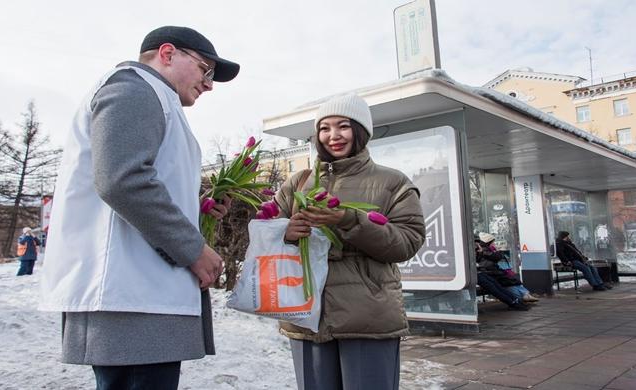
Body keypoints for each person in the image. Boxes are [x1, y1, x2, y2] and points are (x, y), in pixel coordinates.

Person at [39, 26, 239, 389]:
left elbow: (139, 180)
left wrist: (196, 208)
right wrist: (192, 248)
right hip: (130, 296)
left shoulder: (155, 96)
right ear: (167, 54)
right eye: (205, 70)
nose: (209, 84)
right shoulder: (135, 88)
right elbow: (122, 180)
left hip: (141, 294)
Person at [274, 94, 426, 390]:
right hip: (307, 313)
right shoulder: (298, 182)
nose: (333, 136)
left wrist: (348, 220)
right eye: (324, 128)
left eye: (343, 126)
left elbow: (407, 242)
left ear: (360, 131)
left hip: (367, 315)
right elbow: (268, 236)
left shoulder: (391, 182)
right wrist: (287, 233)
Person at [476, 232, 538, 303]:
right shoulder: (485, 251)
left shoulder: (487, 250)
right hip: (491, 273)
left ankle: (525, 294)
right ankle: (522, 296)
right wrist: (497, 251)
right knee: (508, 281)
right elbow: (497, 257)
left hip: (493, 272)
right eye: (492, 242)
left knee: (511, 280)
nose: (494, 244)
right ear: (488, 243)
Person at [474, 240, 530, 311]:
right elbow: (484, 260)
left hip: (481, 272)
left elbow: (479, 260)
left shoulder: (483, 251)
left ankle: (515, 300)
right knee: (492, 287)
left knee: (496, 285)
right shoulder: (486, 251)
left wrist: (480, 252)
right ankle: (513, 302)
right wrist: (481, 252)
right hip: (480, 273)